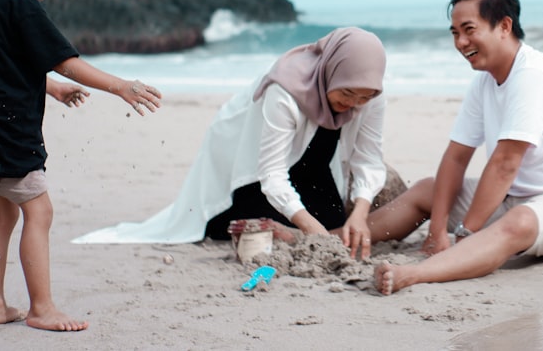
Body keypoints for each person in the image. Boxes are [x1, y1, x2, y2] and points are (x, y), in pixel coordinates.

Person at [0, 0, 163, 332]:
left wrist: (49, 87)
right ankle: (42, 308)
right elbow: (65, 61)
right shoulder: (22, 5)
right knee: (39, 210)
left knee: (3, 213)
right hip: (9, 132)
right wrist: (120, 86)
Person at [368, 0, 543, 294]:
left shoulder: (533, 75)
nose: (461, 42)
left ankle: (414, 274)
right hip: (515, 198)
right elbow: (457, 157)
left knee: (519, 222)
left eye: (469, 29)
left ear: (504, 26)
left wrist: (464, 233)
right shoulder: (485, 81)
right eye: (455, 32)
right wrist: (436, 230)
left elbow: (504, 164)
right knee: (427, 190)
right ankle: (328, 239)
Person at [73, 27, 388, 261]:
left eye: (363, 98)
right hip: (251, 169)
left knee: (334, 221)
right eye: (346, 95)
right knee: (234, 224)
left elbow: (369, 159)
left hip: (311, 162)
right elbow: (272, 174)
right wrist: (309, 228)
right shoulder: (285, 91)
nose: (353, 104)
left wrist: (360, 213)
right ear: (331, 73)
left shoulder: (369, 94)